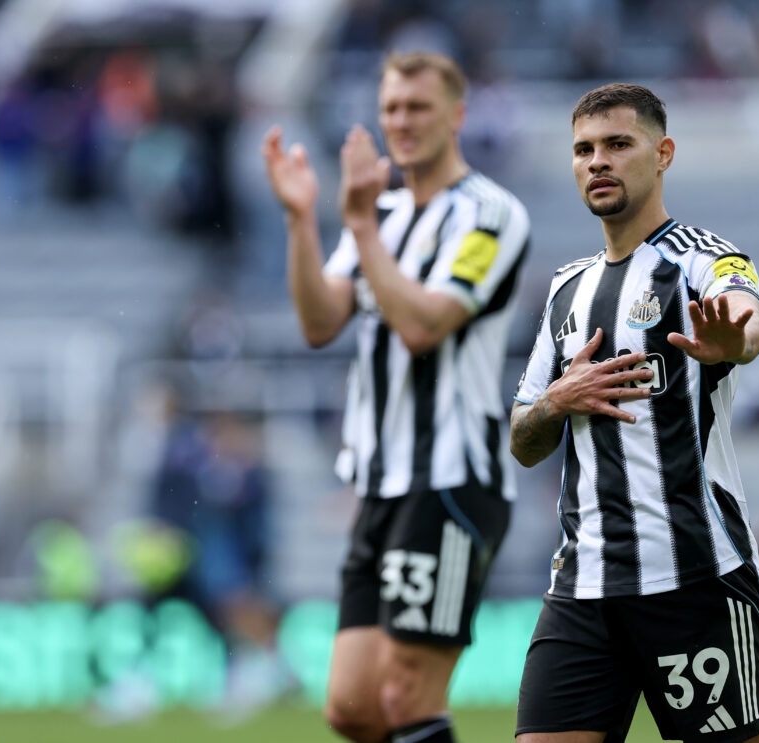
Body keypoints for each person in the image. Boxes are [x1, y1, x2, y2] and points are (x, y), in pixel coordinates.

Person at [261, 51, 530, 743]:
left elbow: (422, 324)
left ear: (457, 115)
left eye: (417, 107)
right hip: (380, 485)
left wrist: (359, 228)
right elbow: (321, 322)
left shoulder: (490, 214)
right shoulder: (378, 214)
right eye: (390, 109)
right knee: (352, 707)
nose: (401, 122)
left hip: (450, 480)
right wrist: (302, 220)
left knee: (406, 691)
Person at [510, 83, 759, 743]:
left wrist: (732, 341)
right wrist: (555, 401)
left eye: (618, 144)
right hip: (583, 583)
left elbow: (748, 320)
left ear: (663, 154)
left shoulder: (702, 258)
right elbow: (522, 438)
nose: (598, 161)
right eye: (584, 149)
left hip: (693, 576)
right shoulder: (566, 290)